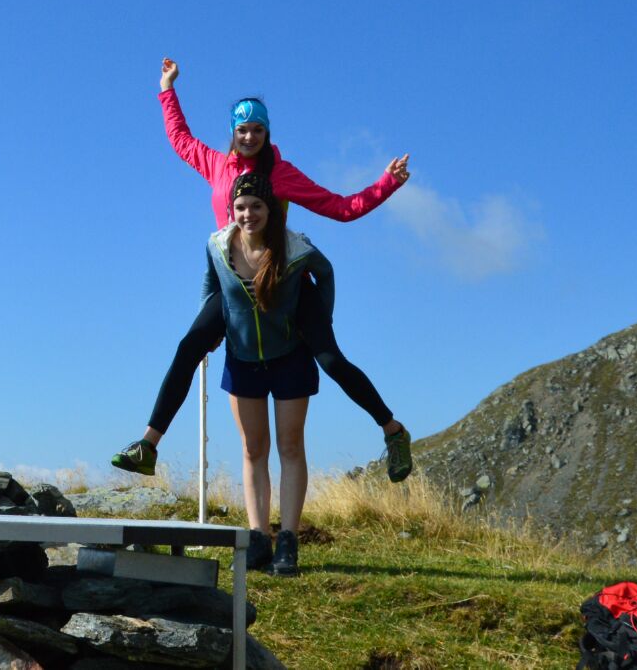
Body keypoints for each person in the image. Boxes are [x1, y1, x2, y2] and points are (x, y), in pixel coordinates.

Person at [111, 58, 414, 484]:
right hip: (235, 285)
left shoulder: (282, 175)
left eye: (256, 129)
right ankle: (148, 444)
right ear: (232, 134)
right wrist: (167, 88)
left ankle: (392, 430)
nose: (249, 136)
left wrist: (387, 183)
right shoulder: (217, 165)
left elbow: (342, 209)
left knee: (330, 359)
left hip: (285, 281)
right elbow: (179, 138)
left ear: (267, 132)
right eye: (241, 130)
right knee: (188, 347)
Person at [208, 172, 328, 575]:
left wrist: (319, 320)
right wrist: (210, 326)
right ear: (232, 209)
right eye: (241, 206)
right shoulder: (218, 245)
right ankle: (258, 538)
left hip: (290, 356)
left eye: (256, 206)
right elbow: (210, 289)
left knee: (290, 446)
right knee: (252, 449)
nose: (248, 214)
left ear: (271, 209)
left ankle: (288, 542)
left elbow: (325, 273)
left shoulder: (295, 247)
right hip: (243, 360)